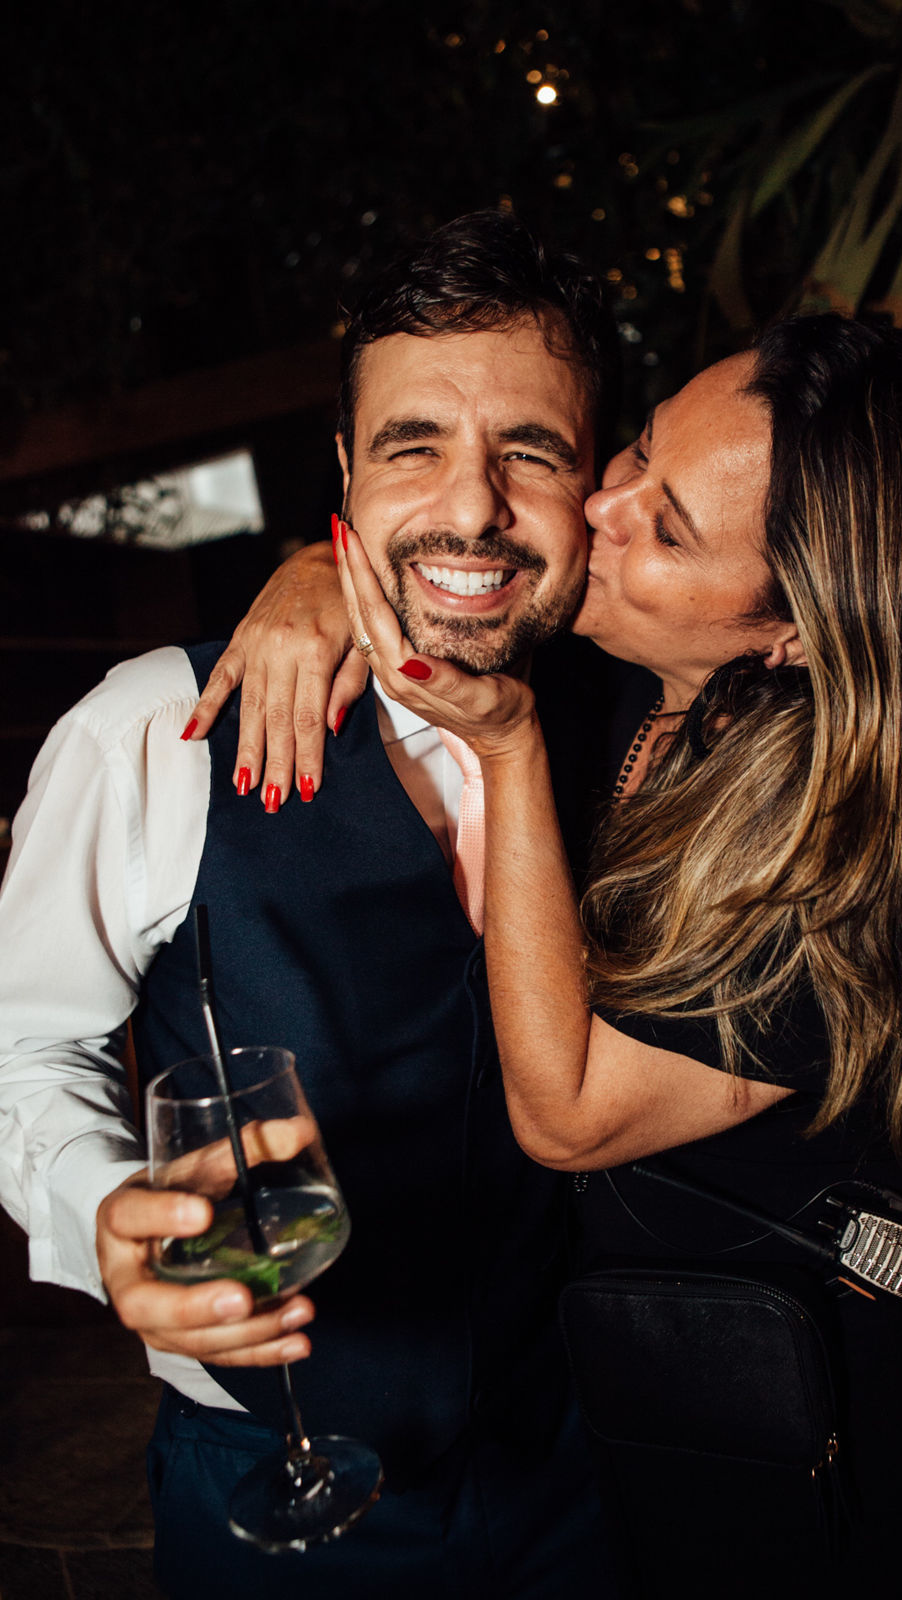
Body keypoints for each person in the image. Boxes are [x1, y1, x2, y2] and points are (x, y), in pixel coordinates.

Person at [316, 314, 902, 1596]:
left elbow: (562, 1112)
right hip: (660, 1397)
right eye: (641, 455)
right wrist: (299, 589)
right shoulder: (649, 683)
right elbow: (441, 553)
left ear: (794, 633)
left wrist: (504, 751)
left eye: (667, 531)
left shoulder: (868, 856)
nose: (603, 508)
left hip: (846, 1448)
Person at [0, 211, 625, 1599]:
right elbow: (21, 1045)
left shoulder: (637, 723)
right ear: (342, 471)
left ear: (596, 482)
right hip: (273, 1484)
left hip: (581, 1466)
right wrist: (107, 1207)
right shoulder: (152, 727)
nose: (472, 508)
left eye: (532, 450)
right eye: (415, 446)